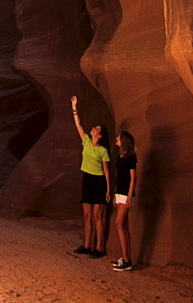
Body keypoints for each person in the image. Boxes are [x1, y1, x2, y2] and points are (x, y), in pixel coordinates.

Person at [70, 95, 110, 258]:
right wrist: (74, 107)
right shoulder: (86, 141)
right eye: (94, 128)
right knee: (86, 216)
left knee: (97, 216)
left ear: (100, 136)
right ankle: (87, 245)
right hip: (87, 180)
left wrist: (108, 189)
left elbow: (106, 170)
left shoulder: (103, 151)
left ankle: (99, 248)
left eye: (97, 129)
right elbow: (78, 124)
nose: (94, 129)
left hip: (98, 181)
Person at [111, 130, 137, 271]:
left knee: (118, 223)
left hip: (126, 194)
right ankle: (126, 258)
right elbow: (119, 177)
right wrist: (116, 194)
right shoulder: (120, 156)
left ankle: (126, 260)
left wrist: (129, 196)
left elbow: (133, 178)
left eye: (119, 138)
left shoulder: (130, 158)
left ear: (124, 141)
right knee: (124, 226)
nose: (116, 139)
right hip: (120, 193)